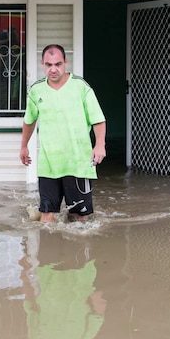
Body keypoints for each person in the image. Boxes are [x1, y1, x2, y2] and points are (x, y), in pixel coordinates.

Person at [20, 44, 106, 222]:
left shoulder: (80, 87)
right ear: (42, 63)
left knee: (80, 217)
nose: (53, 69)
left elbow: (98, 118)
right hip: (49, 163)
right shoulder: (36, 91)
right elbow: (29, 120)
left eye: (58, 64)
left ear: (65, 63)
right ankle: (48, 249)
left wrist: (100, 145)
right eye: (49, 65)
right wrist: (24, 146)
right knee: (47, 215)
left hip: (78, 162)